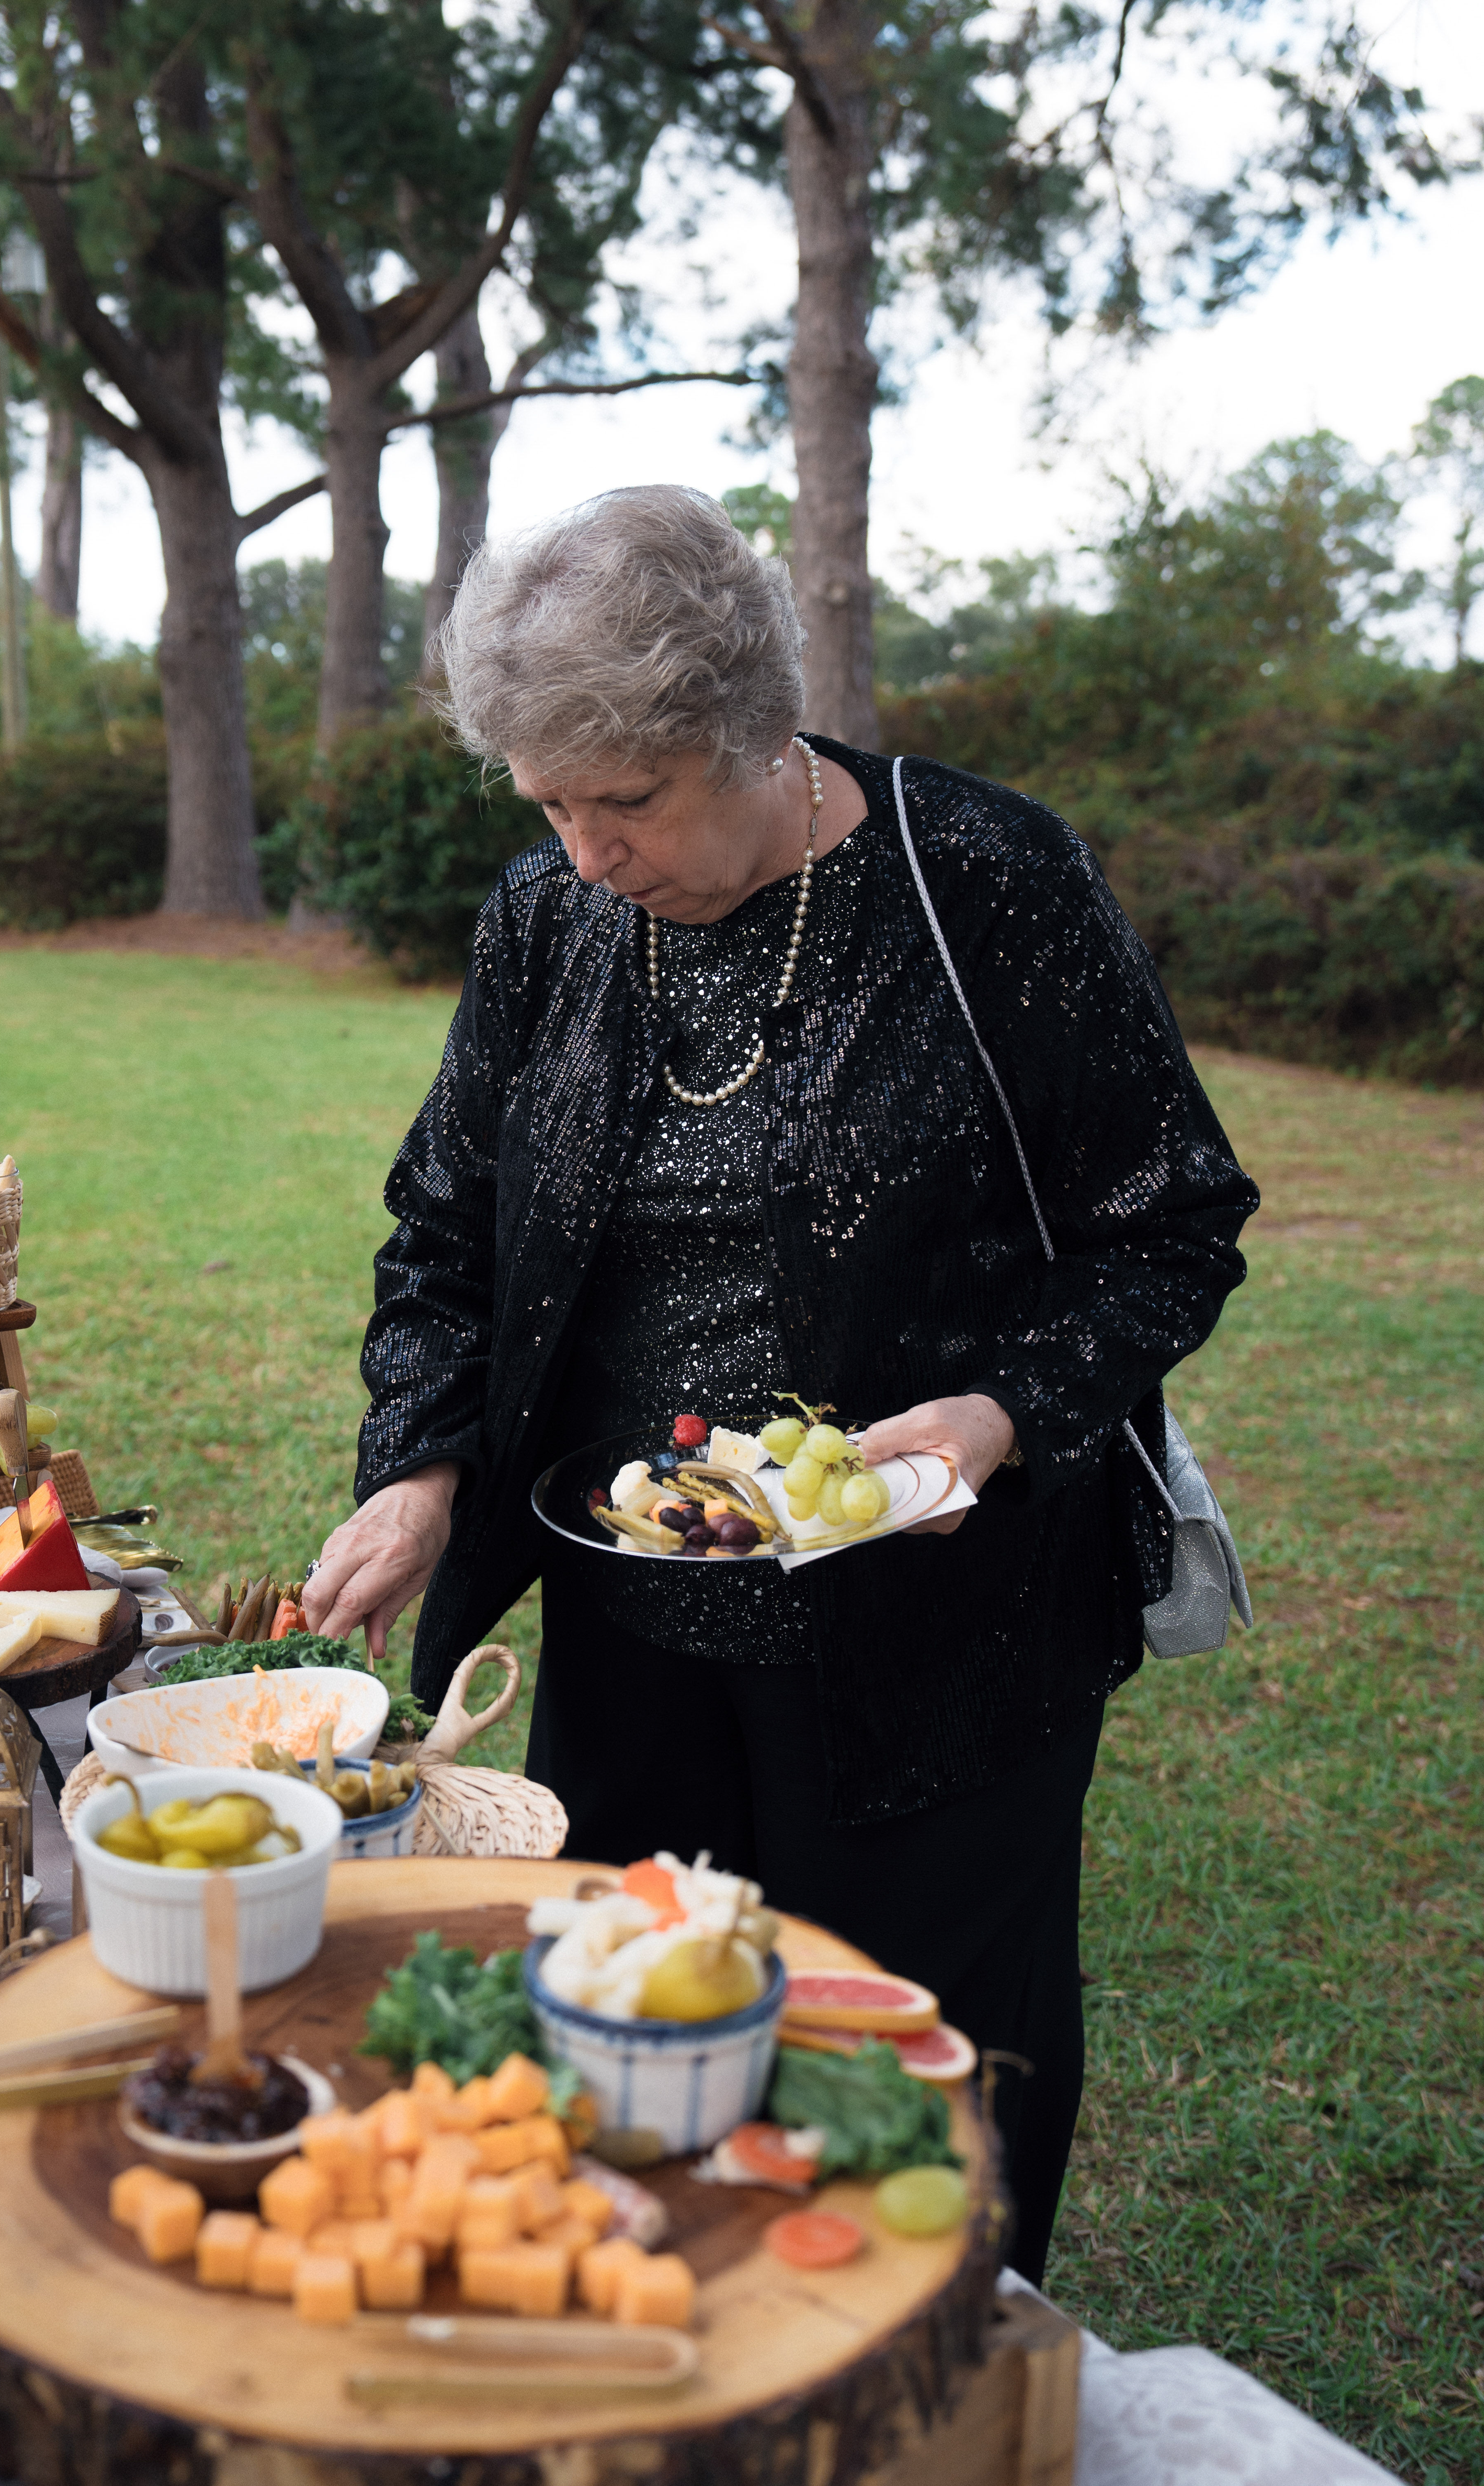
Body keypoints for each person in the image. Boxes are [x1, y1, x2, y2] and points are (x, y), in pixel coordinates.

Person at [301, 484, 1257, 2282]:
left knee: (915, 2077)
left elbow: (1172, 1224)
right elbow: (448, 1220)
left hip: (945, 1641)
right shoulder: (547, 922)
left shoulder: (985, 881)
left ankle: (938, 2390)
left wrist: (997, 1420)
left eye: (631, 802)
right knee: (630, 2067)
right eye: (550, 807)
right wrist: (422, 1467)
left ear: (751, 730)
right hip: (631, 1632)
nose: (587, 854)